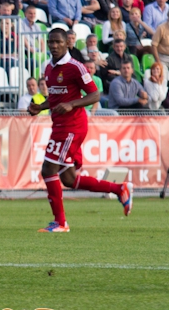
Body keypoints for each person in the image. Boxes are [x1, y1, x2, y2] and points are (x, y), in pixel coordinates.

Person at [28, 28, 131, 233]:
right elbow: (56, 98)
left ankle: (60, 223)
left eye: (58, 42)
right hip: (59, 125)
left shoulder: (76, 67)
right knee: (68, 179)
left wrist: (72, 104)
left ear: (67, 44)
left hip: (72, 126)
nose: (54, 46)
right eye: (51, 42)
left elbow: (94, 94)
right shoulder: (49, 68)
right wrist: (40, 106)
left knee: (48, 169)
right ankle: (119, 189)